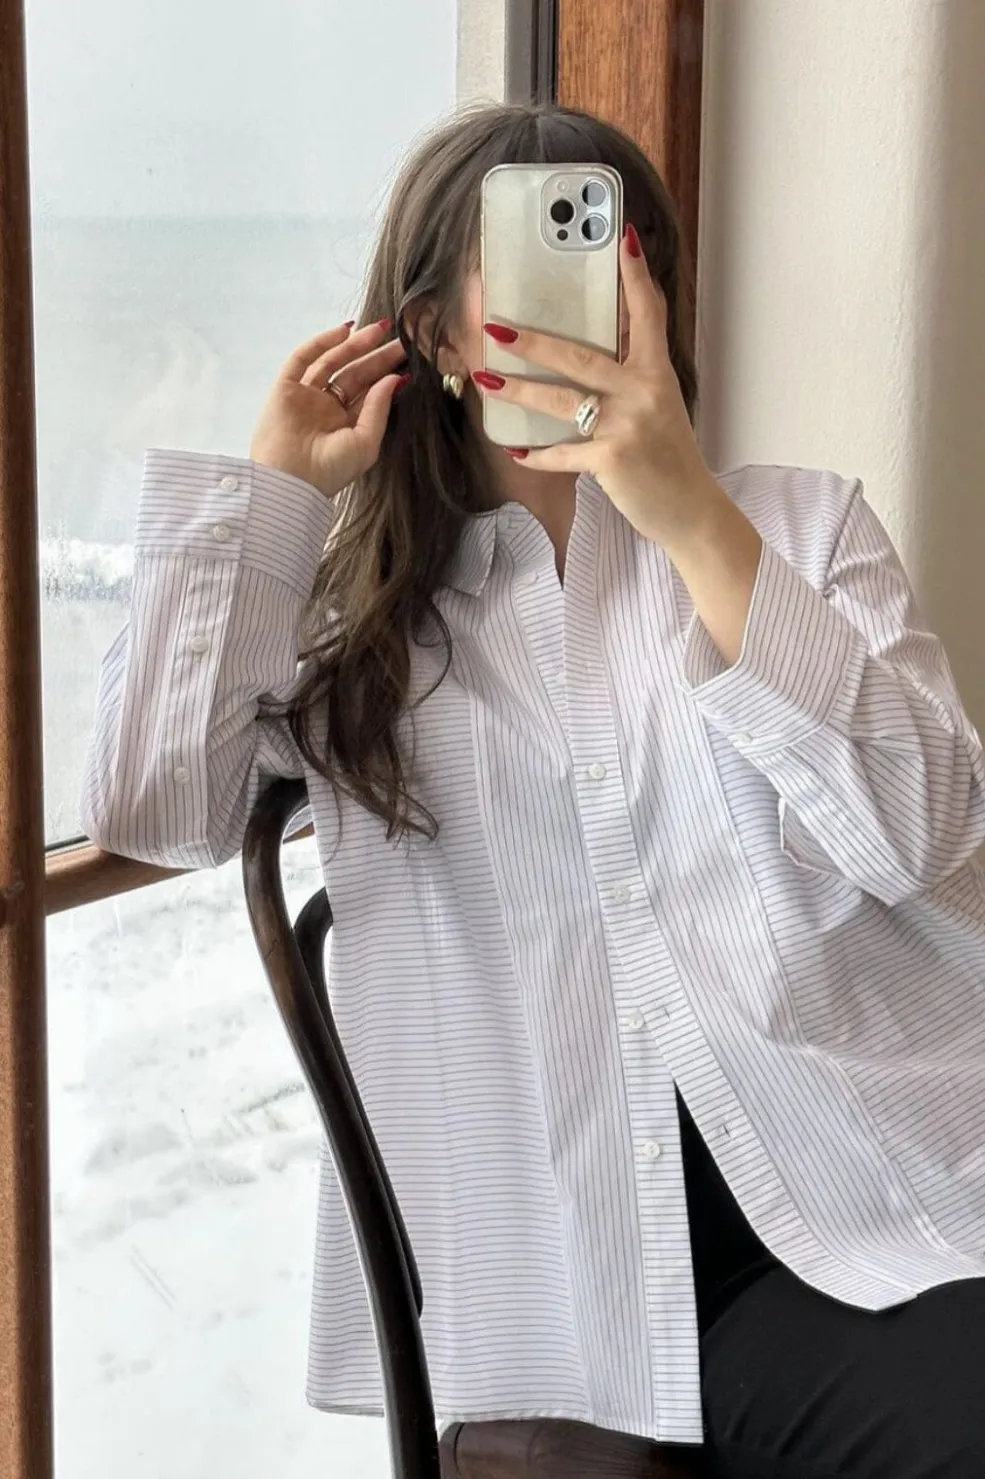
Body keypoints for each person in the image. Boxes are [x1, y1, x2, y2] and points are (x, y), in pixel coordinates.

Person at [81, 101, 985, 1479]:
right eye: (543, 252)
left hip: (890, 1186)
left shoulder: (798, 529)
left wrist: (691, 516)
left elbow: (927, 831)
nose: (596, 291)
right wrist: (275, 498)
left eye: (623, 250)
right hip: (600, 1297)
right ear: (437, 336)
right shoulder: (368, 639)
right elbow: (154, 805)